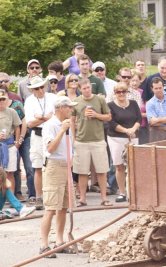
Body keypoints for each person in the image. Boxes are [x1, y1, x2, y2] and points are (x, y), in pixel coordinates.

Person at [40, 96, 78, 258]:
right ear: (60, 108)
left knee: (63, 206)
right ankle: (44, 245)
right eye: (69, 107)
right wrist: (62, 130)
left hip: (66, 166)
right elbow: (50, 148)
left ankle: (60, 241)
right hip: (54, 166)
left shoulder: (68, 124)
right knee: (50, 208)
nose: (71, 110)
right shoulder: (50, 125)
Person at [71, 79, 112, 207]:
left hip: (98, 139)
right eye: (84, 88)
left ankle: (104, 198)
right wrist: (73, 138)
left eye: (88, 87)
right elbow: (72, 120)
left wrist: (96, 115)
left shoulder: (99, 100)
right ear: (80, 89)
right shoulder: (76, 102)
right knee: (82, 172)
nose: (87, 90)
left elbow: (109, 117)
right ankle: (82, 199)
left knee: (102, 170)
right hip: (81, 140)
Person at [25, 76, 57, 210]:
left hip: (50, 134)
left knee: (53, 166)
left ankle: (53, 196)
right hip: (37, 135)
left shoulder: (52, 98)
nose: (40, 90)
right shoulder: (29, 101)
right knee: (38, 167)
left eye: (42, 87)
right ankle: (39, 197)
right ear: (32, 90)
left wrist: (41, 118)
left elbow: (56, 117)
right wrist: (45, 118)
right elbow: (30, 123)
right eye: (37, 88)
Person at [107, 83, 141, 202]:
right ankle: (122, 192)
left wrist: (132, 130)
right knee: (119, 166)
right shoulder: (110, 105)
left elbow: (139, 119)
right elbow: (111, 123)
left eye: (123, 91)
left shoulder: (133, 103)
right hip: (116, 138)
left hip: (133, 137)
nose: (121, 94)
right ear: (114, 93)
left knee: (134, 166)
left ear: (127, 92)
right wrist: (126, 130)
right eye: (118, 92)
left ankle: (133, 192)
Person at [0, 90, 22, 194]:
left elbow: (17, 127)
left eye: (3, 99)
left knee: (10, 173)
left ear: (6, 99)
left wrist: (17, 143)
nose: (1, 101)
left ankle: (11, 197)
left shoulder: (11, 111)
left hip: (10, 145)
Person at [146, 77, 166, 142]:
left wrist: (158, 120)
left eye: (160, 88)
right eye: (156, 88)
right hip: (156, 134)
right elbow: (152, 122)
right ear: (152, 89)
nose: (158, 90)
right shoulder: (149, 103)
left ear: (163, 87)